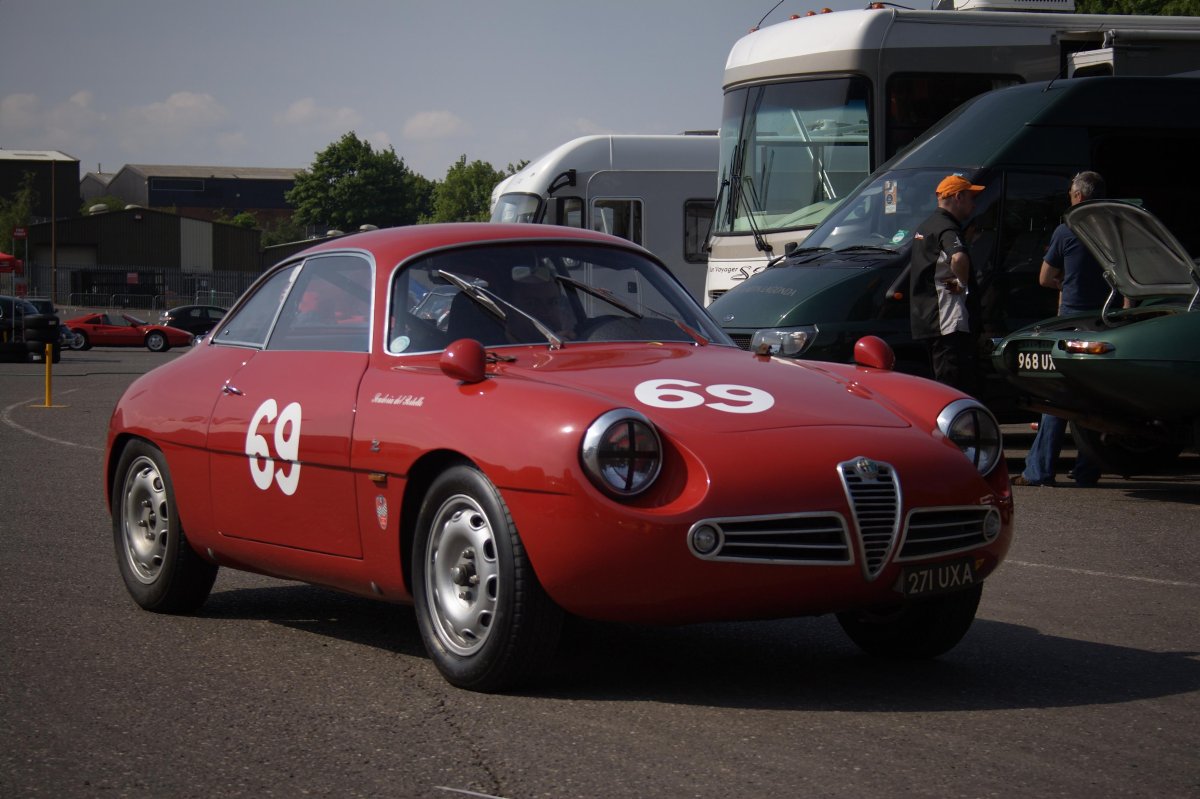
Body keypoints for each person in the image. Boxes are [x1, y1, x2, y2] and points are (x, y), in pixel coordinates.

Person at [1013, 171, 1108, 487]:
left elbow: (1044, 277)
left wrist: (1063, 284)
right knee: (1092, 396)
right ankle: (1087, 469)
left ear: (1079, 196)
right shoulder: (1111, 231)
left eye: (1070, 193)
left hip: (1070, 320)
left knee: (1056, 398)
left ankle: (1039, 470)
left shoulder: (1066, 232)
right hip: (1103, 322)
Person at [909, 174, 985, 394]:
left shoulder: (926, 225)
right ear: (958, 197)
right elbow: (959, 257)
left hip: (927, 318)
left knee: (940, 384)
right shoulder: (948, 227)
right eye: (971, 198)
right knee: (953, 388)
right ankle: (954, 428)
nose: (974, 205)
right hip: (948, 323)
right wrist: (962, 283)